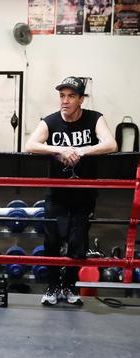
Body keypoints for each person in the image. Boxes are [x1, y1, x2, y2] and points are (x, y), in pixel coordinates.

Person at [24, 76, 117, 306]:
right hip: (57, 193)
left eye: (71, 96)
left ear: (81, 99)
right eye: (62, 96)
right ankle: (53, 286)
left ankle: (70, 286)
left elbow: (111, 144)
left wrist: (81, 151)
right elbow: (31, 145)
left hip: (84, 193)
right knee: (52, 241)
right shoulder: (51, 121)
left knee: (78, 243)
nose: (65, 101)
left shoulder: (95, 118)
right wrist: (59, 150)